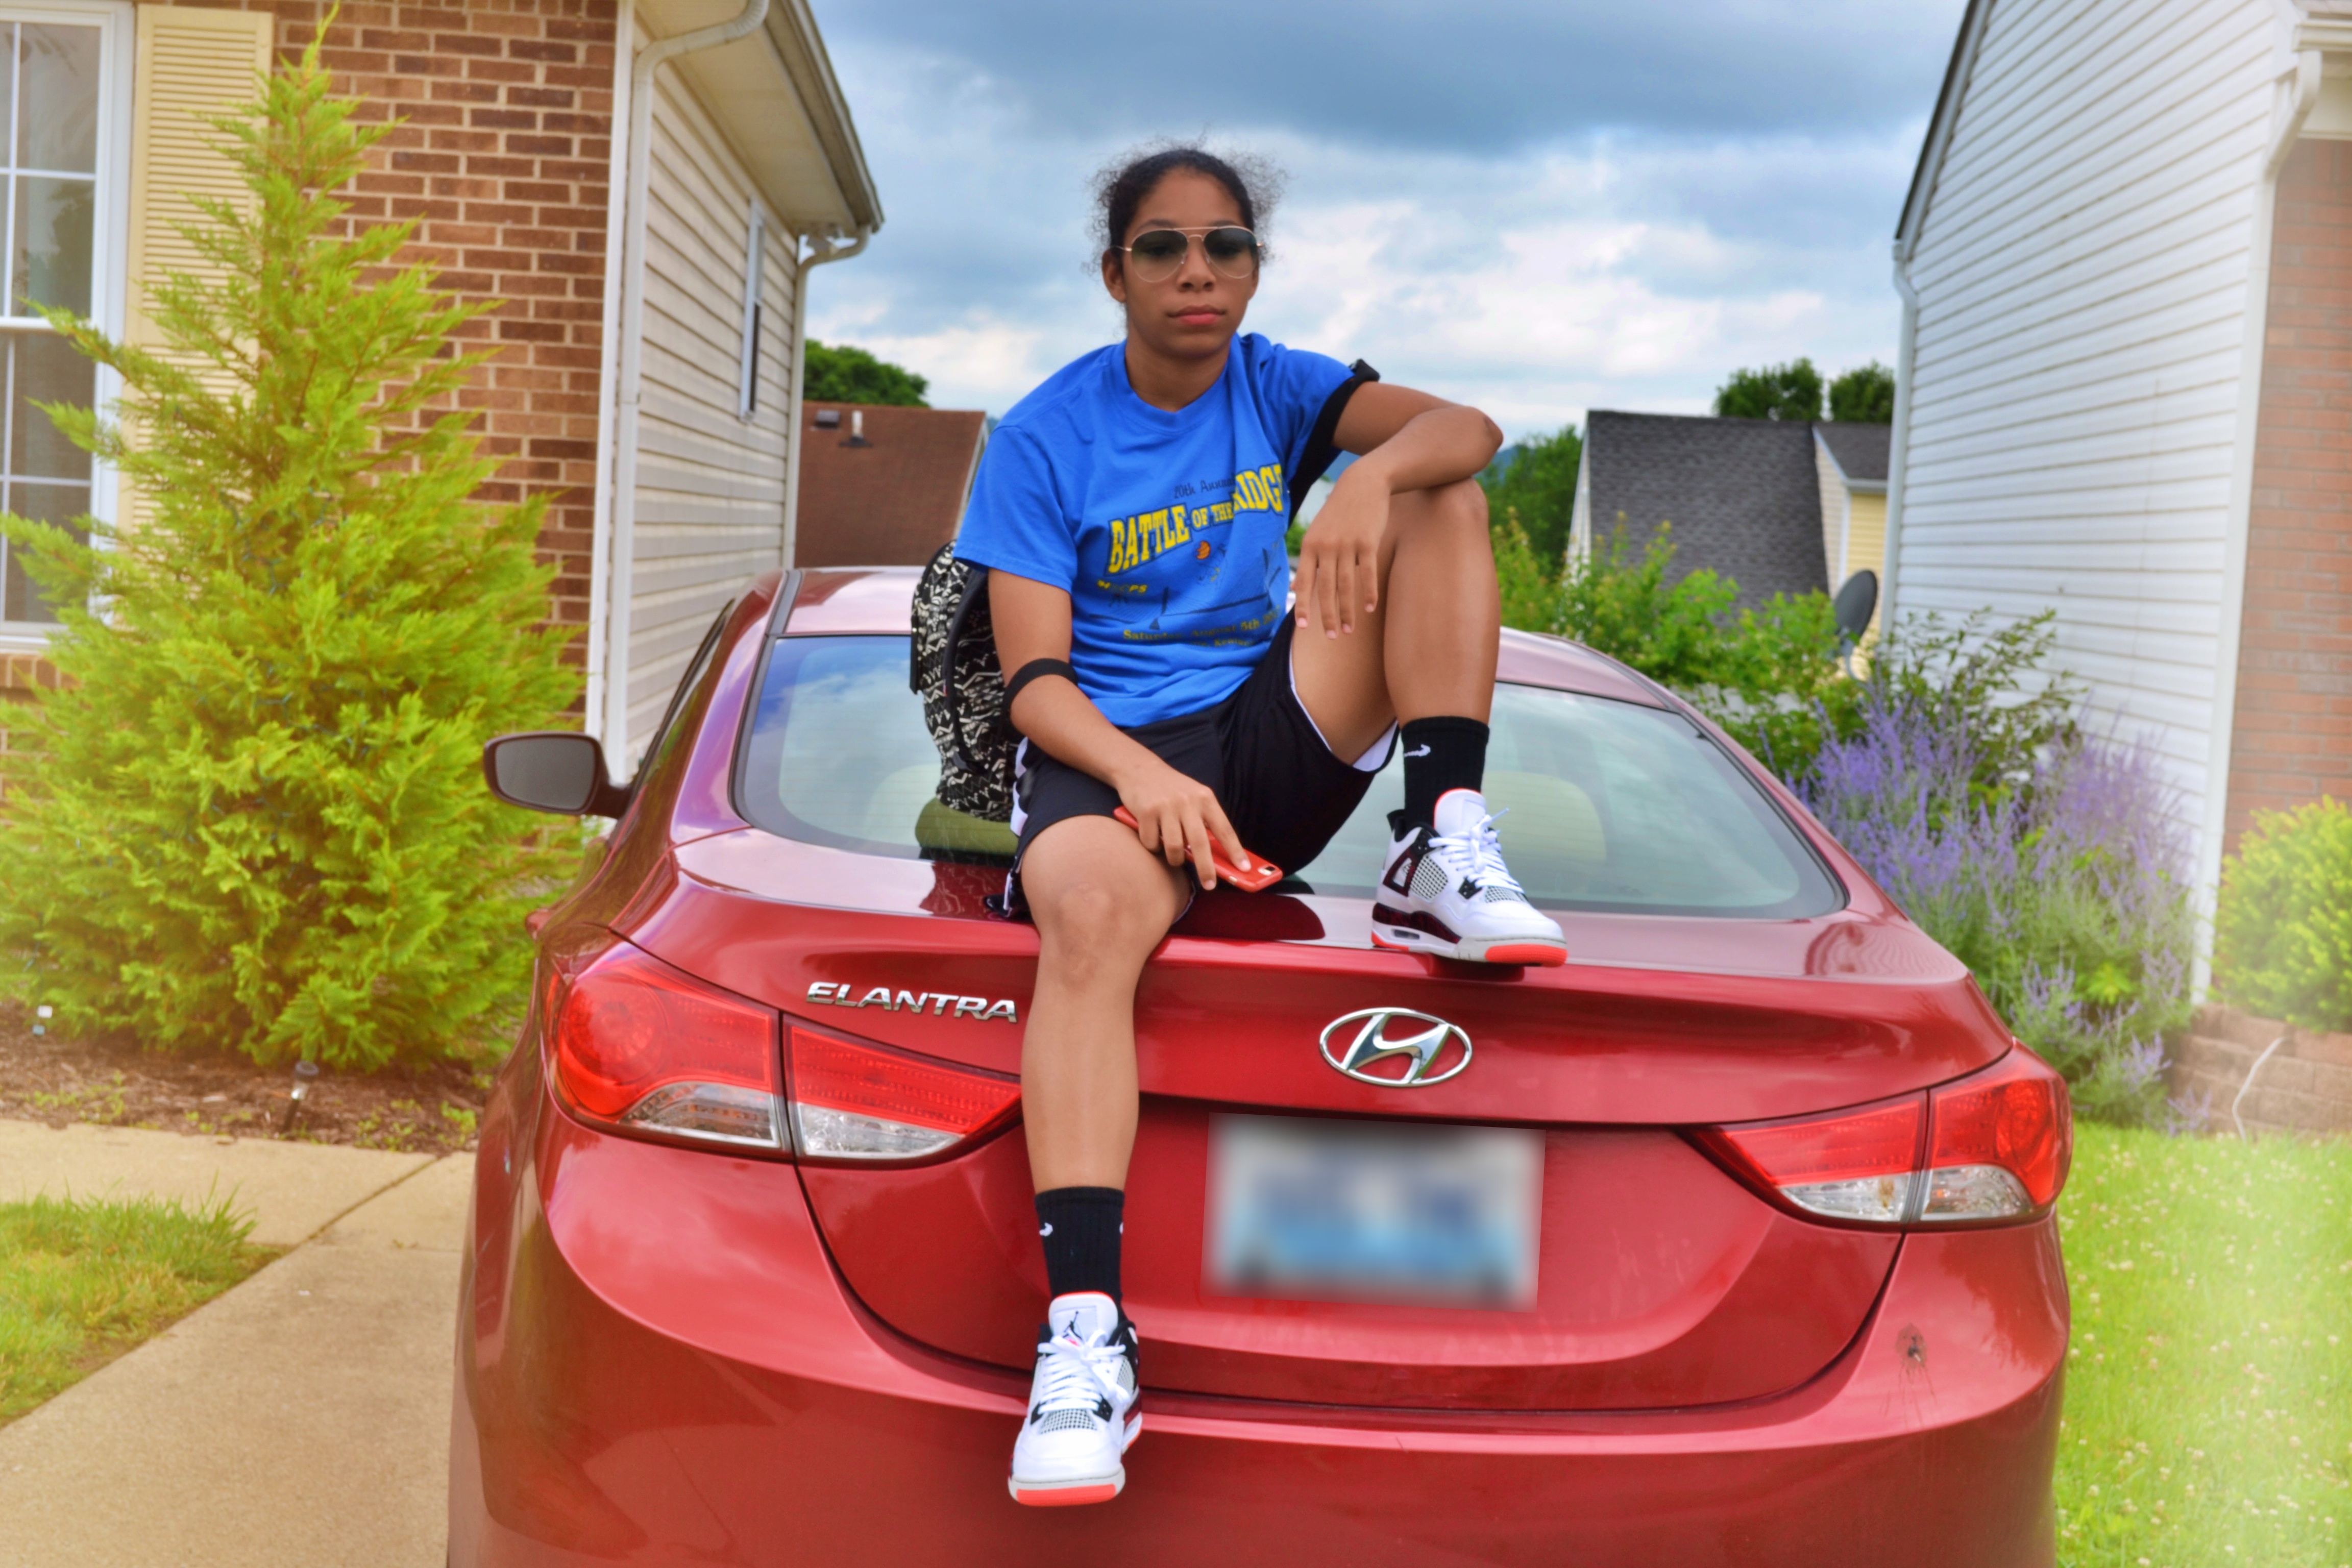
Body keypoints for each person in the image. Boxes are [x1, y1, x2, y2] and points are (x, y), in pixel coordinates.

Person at [951, 144, 1566, 1508]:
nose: (1197, 273)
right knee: (1093, 917)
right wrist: (1142, 781)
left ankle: (1440, 839)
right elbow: (1034, 684)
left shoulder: (1278, 383)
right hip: (1112, 750)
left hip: (1262, 730)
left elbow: (1468, 428)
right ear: (1115, 273)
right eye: (1164, 248)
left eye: (1225, 247)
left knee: (1438, 488)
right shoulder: (1045, 437)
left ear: (1253, 270)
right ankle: (1087, 1343)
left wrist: (1363, 474)